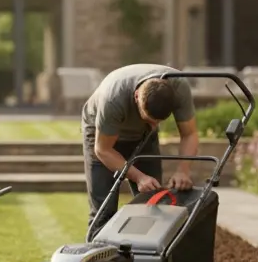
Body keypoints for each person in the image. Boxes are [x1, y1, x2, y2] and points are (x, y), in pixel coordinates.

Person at [80, 63, 199, 233]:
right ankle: (99, 254)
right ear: (136, 96)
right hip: (101, 136)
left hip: (142, 137)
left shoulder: (178, 87)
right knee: (103, 211)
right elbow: (103, 150)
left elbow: (189, 134)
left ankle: (143, 256)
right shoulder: (113, 98)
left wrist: (183, 170)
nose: (154, 125)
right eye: (149, 120)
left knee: (154, 205)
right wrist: (139, 177)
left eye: (158, 122)